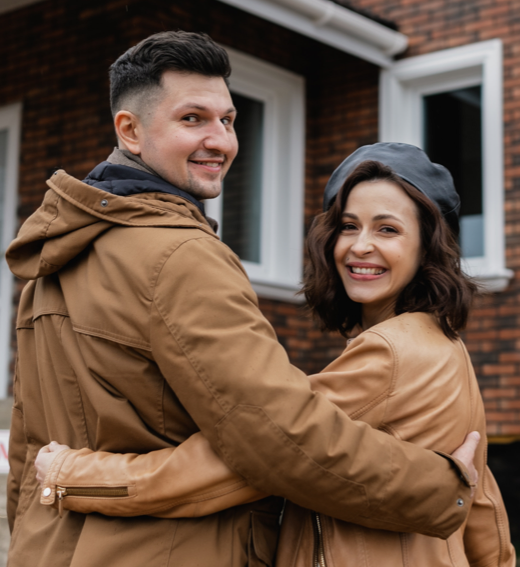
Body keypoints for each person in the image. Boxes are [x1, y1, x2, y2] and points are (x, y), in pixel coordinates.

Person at [6, 30, 477, 567]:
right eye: (193, 119)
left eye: (227, 120)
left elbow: (28, 459)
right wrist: (441, 487)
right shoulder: (181, 254)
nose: (221, 141)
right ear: (130, 130)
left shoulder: (53, 262)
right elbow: (279, 439)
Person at [34, 144, 514, 566]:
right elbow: (483, 502)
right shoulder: (447, 347)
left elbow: (246, 461)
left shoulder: (391, 352)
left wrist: (75, 476)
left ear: (428, 247)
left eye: (387, 229)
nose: (360, 246)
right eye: (349, 226)